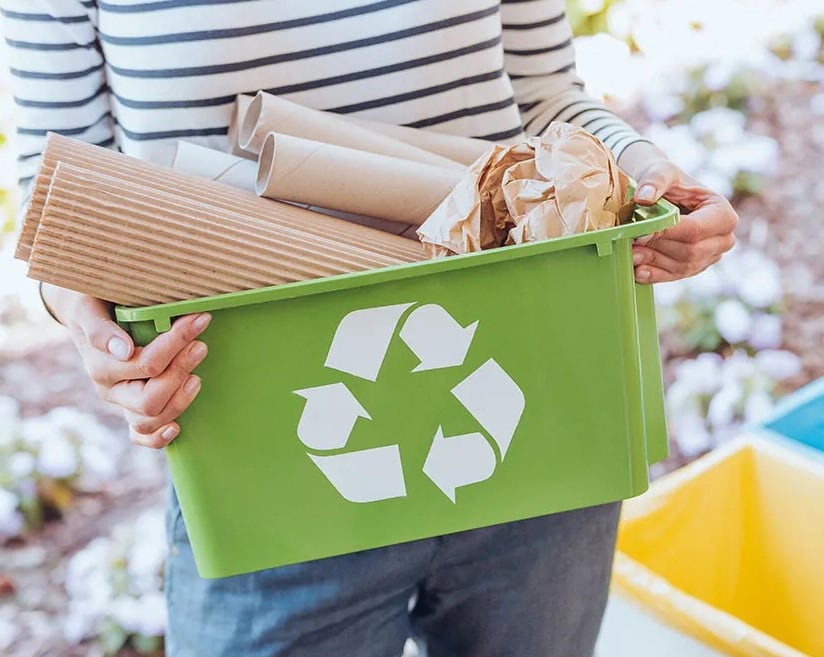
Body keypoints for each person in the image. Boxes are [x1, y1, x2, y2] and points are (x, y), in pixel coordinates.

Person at [3, 2, 738, 655]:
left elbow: (545, 97)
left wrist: (651, 178)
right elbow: (61, 187)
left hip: (528, 403)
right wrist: (93, 332)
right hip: (262, 446)